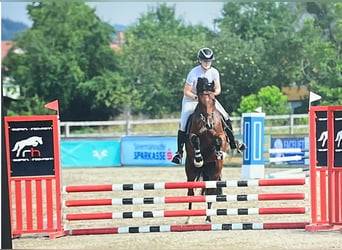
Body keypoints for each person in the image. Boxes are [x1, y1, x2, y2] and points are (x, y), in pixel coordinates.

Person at [171, 47, 245, 164]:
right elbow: (186, 91)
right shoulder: (193, 73)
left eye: (209, 61)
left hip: (209, 99)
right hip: (192, 99)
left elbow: (218, 88)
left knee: (225, 116)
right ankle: (179, 152)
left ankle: (232, 142)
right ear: (200, 61)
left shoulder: (214, 72)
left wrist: (211, 96)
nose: (207, 63)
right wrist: (197, 98)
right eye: (205, 61)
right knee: (184, 122)